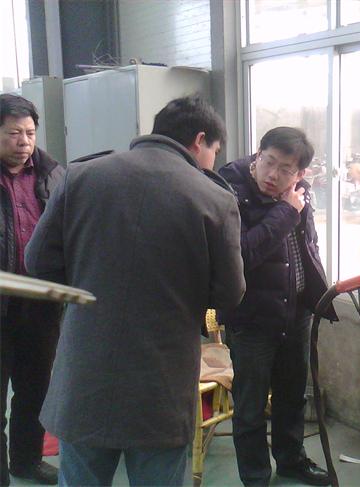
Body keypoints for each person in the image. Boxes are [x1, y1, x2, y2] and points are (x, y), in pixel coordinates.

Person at [24, 96, 246, 486]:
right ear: (200, 140)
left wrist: (91, 274)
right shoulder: (214, 198)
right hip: (161, 385)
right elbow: (229, 294)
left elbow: (38, 262)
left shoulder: (80, 176)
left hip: (86, 375)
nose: (213, 161)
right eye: (214, 150)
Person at [218, 127, 337, 487]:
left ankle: (291, 461)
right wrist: (286, 211)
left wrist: (316, 296)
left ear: (300, 173)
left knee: (292, 396)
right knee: (251, 406)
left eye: (285, 169)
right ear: (258, 155)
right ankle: (255, 477)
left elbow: (308, 245)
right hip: (251, 318)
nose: (273, 174)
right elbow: (241, 254)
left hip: (295, 312)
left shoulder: (299, 193)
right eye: (268, 162)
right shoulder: (229, 189)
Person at [0, 94, 64, 486]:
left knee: (35, 390)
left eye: (29, 133)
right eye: (13, 133)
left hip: (40, 304)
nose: (24, 141)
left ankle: (26, 461)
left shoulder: (53, 175)